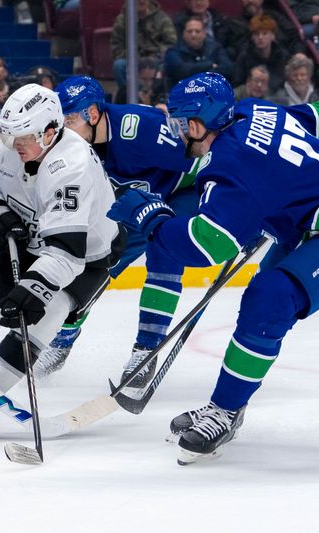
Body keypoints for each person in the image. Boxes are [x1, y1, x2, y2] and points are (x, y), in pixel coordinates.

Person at [106, 72, 319, 464]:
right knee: (265, 304)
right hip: (313, 221)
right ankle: (227, 405)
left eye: (178, 124)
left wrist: (151, 218)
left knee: (270, 299)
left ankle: (225, 411)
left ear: (197, 124)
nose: (175, 133)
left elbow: (208, 245)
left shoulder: (230, 165)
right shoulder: (252, 110)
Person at [0, 84, 123, 432]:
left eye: (23, 136)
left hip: (86, 256)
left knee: (45, 315)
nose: (14, 144)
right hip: (27, 237)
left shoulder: (72, 165)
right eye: (8, 135)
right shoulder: (6, 147)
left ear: (51, 131)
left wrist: (32, 289)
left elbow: (68, 254)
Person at [37, 75, 198, 385]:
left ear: (93, 115)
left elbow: (204, 158)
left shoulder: (140, 130)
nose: (61, 130)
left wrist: (240, 204)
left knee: (166, 252)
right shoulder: (72, 148)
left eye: (70, 120)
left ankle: (145, 351)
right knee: (96, 263)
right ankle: (62, 339)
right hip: (137, 205)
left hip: (185, 192)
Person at [110, 0, 177, 98]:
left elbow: (171, 42)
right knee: (119, 66)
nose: (140, 1)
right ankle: (128, 97)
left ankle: (158, 97)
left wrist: (156, 55)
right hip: (132, 59)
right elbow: (116, 47)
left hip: (157, 59)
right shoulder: (122, 20)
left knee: (169, 64)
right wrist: (133, 57)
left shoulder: (161, 18)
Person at [164, 16, 233, 88]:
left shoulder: (215, 48)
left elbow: (228, 68)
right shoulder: (173, 51)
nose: (193, 35)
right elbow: (181, 71)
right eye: (189, 31)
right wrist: (210, 65)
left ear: (204, 34)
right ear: (183, 34)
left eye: (197, 31)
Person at [233, 14, 291, 92]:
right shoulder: (244, 56)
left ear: (273, 36)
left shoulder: (282, 56)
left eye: (265, 33)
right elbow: (238, 82)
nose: (260, 37)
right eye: (257, 34)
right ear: (252, 37)